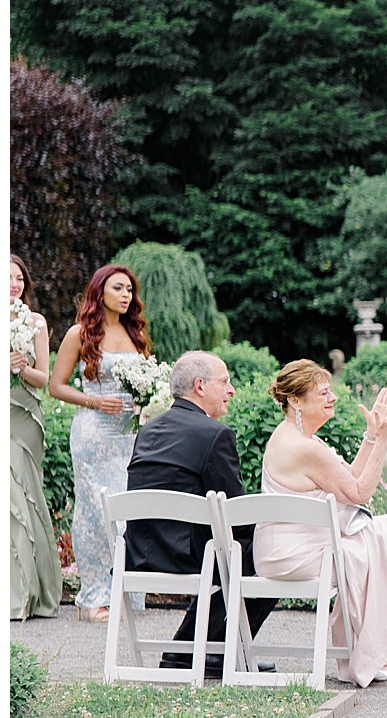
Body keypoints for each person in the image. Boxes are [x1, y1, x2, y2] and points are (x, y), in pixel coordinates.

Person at [256, 361, 387, 685]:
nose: (333, 398)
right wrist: (384, 438)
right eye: (324, 392)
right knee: (385, 530)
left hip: (286, 550)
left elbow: (350, 478)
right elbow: (360, 492)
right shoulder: (303, 447)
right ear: (296, 400)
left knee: (375, 539)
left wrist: (371, 435)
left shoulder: (298, 439)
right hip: (292, 555)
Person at [124, 351, 277, 674]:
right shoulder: (214, 434)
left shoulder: (148, 431)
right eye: (225, 381)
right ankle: (216, 652)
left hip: (139, 553)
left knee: (238, 551)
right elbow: (233, 512)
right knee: (269, 553)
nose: (231, 390)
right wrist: (268, 531)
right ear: (200, 386)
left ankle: (191, 653)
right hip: (189, 556)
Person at [47, 264, 151, 622]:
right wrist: (94, 400)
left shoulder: (135, 334)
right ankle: (92, 599)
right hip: (93, 434)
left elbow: (146, 382)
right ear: (100, 292)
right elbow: (56, 385)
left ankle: (124, 594)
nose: (126, 296)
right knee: (93, 513)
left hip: (128, 436)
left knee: (126, 515)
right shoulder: (80, 334)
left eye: (130, 290)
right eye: (119, 288)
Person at [10, 255, 60, 621]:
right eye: (7, 279)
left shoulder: (35, 323)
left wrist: (23, 368)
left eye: (19, 279)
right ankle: (13, 591)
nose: (14, 285)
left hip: (24, 417)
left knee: (23, 497)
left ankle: (29, 594)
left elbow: (46, 377)